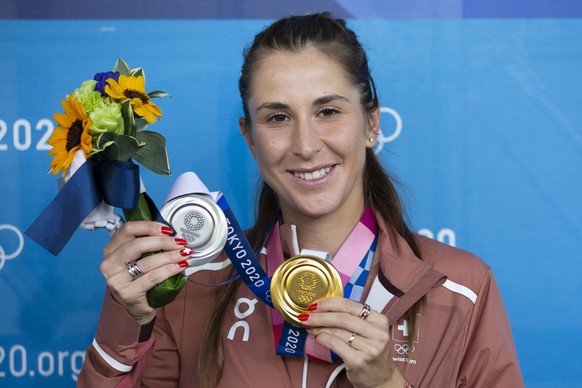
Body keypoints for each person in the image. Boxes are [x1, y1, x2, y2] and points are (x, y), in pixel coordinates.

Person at [77, 12, 524, 388]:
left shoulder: (462, 286)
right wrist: (125, 318)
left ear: (371, 124)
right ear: (250, 139)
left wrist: (388, 384)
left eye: (328, 111)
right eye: (277, 117)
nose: (305, 145)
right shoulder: (193, 281)